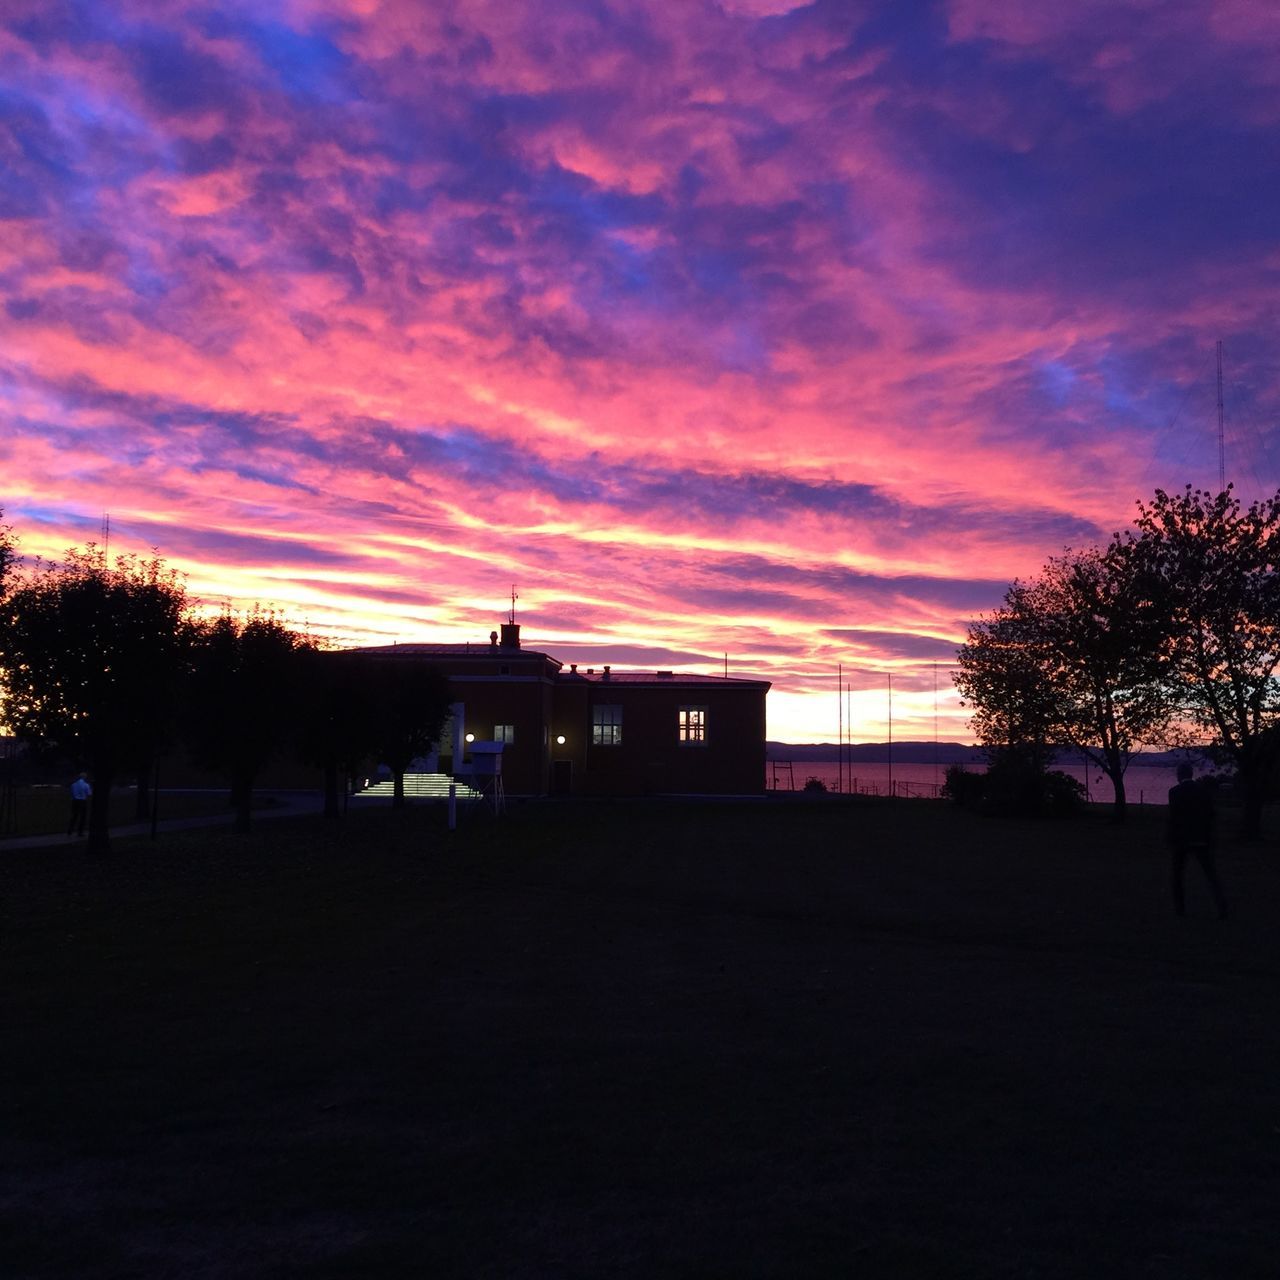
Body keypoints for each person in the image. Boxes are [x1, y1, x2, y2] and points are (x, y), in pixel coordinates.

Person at [1167, 763, 1228, 919]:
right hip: (1201, 838)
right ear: (1192, 773)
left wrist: (1170, 837)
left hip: (1181, 840)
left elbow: (1173, 818)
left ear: (1179, 775)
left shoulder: (1174, 792)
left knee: (1178, 876)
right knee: (1211, 875)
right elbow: (1211, 814)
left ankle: (1180, 910)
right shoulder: (1203, 792)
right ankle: (1222, 907)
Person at [68, 771, 91, 838]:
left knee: (74, 816)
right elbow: (89, 794)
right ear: (85, 777)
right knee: (82, 817)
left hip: (75, 801)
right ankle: (80, 832)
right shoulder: (86, 785)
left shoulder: (73, 784)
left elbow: (71, 793)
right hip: (82, 801)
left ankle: (70, 830)